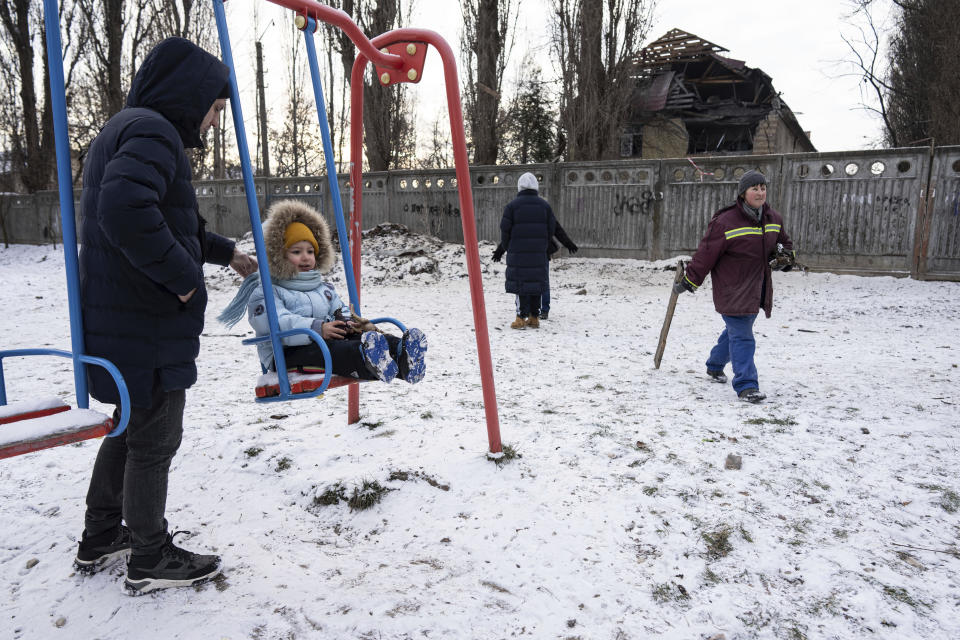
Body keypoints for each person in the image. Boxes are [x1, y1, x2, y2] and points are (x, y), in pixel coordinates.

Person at [73, 37, 257, 595]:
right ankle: (150, 555)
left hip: (123, 318)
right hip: (147, 322)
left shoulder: (129, 127)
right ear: (190, 94)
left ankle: (102, 534)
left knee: (129, 428)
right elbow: (125, 211)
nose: (212, 120)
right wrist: (183, 280)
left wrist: (226, 254)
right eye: (214, 108)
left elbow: (172, 223)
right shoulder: (153, 133)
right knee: (154, 439)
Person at [218, 199, 428, 385]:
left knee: (365, 338)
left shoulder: (322, 288)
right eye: (296, 252)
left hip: (324, 342)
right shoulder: (264, 290)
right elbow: (275, 322)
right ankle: (371, 359)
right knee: (340, 351)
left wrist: (347, 321)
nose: (306, 257)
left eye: (310, 251)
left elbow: (338, 307)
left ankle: (404, 355)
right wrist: (317, 328)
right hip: (286, 354)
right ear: (278, 256)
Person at [674, 169, 795, 404]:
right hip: (732, 288)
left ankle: (714, 365)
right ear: (742, 194)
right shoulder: (726, 221)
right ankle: (747, 385)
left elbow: (784, 245)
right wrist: (689, 281)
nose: (760, 193)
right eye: (754, 189)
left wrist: (785, 259)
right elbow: (707, 253)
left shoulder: (773, 218)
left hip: (757, 288)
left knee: (737, 332)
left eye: (762, 188)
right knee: (743, 336)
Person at [492, 172, 556, 329]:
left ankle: (521, 317)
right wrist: (543, 246)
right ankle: (534, 317)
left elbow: (505, 230)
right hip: (538, 254)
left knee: (521, 286)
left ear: (519, 186)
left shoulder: (512, 206)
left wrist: (507, 247)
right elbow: (551, 229)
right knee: (535, 285)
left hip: (518, 254)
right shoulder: (545, 206)